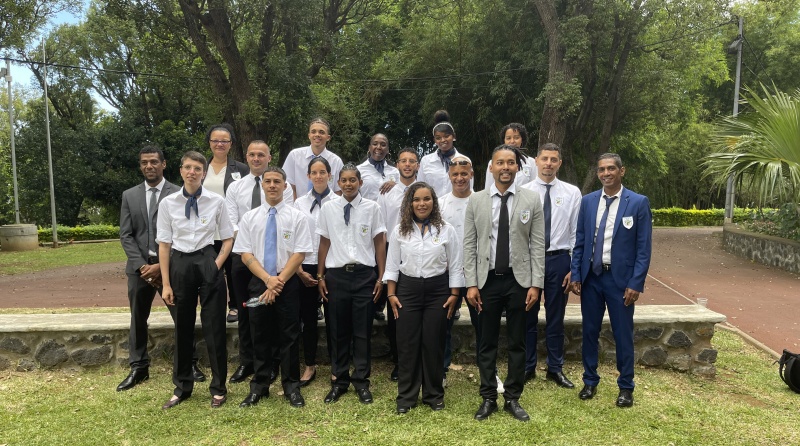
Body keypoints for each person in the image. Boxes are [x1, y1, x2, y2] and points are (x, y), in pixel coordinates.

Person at [463, 144, 545, 422]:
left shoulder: (531, 199)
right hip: (486, 281)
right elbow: (469, 244)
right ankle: (488, 397)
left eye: (511, 162)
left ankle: (512, 397)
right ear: (491, 167)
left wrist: (536, 284)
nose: (506, 167)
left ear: (517, 167)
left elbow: (537, 244)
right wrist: (471, 284)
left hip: (519, 281)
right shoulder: (476, 200)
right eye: (500, 162)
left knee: (517, 342)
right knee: (486, 342)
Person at [117, 145, 203, 391]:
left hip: (172, 267)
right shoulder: (129, 196)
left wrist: (162, 266)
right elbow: (126, 235)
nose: (149, 166)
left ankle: (189, 363)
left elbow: (186, 234)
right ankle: (139, 367)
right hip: (139, 270)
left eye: (154, 161)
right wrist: (142, 266)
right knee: (138, 318)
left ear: (163, 164)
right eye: (144, 162)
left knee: (182, 316)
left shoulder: (179, 193)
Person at [570, 153, 652, 408]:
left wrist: (636, 283)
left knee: (623, 334)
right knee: (589, 331)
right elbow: (580, 241)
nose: (606, 173)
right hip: (592, 279)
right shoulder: (588, 202)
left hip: (621, 282)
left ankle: (626, 386)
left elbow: (643, 248)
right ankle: (590, 381)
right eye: (601, 170)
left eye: (611, 169)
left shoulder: (637, 202)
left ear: (621, 171)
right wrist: (576, 273)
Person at [157, 151, 233, 409]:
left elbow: (228, 238)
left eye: (197, 168)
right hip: (180, 263)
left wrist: (216, 265)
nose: (192, 172)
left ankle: (219, 388)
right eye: (188, 167)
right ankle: (182, 387)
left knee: (214, 327)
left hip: (207, 260)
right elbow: (164, 245)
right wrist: (166, 284)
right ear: (181, 170)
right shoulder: (168, 203)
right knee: (183, 327)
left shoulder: (216, 201)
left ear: (204, 173)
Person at [233, 166, 312, 408]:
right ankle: (259, 386)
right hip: (259, 282)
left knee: (289, 335)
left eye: (277, 181)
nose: (272, 185)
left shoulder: (297, 217)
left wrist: (278, 281)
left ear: (285, 186)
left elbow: (299, 253)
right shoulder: (250, 217)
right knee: (260, 334)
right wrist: (267, 280)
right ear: (262, 185)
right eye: (267, 181)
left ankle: (291, 386)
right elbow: (245, 253)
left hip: (287, 282)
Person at [384, 182, 462, 414]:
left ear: (433, 202)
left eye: (426, 199)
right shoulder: (400, 230)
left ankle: (433, 395)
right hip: (407, 290)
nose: (421, 204)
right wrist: (391, 294)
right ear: (409, 203)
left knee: (433, 343)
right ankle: (406, 397)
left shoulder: (446, 230)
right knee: (407, 344)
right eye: (416, 199)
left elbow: (456, 265)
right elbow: (392, 266)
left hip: (438, 290)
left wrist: (454, 294)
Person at [316, 164, 387, 405]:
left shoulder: (372, 208)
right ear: (338, 183)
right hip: (336, 276)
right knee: (337, 331)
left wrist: (381, 277)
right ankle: (339, 381)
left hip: (364, 276)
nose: (348, 184)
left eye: (353, 180)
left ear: (360, 182)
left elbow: (379, 242)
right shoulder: (328, 208)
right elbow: (324, 242)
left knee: (362, 331)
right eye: (344, 180)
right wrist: (320, 276)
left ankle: (361, 381)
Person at [224, 140, 291, 385]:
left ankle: (272, 362)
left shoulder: (282, 185)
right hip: (243, 256)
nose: (256, 158)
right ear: (246, 156)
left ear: (269, 157)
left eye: (261, 154)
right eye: (252, 154)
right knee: (246, 309)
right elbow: (231, 221)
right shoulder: (235, 188)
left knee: (270, 309)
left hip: (272, 259)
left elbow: (285, 219)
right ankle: (247, 361)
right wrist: (247, 244)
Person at [521, 143, 581, 388]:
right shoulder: (523, 191)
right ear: (536, 161)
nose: (548, 163)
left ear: (559, 163)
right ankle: (527, 366)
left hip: (559, 259)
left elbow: (576, 232)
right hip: (530, 260)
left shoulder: (572, 192)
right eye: (544, 158)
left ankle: (555, 368)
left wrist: (574, 267)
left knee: (556, 317)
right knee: (527, 315)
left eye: (553, 159)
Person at [377, 147, 420, 381]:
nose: (407, 164)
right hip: (393, 254)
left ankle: (417, 358)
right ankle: (398, 360)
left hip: (418, 254)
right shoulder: (387, 193)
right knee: (394, 309)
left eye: (412, 161)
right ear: (397, 165)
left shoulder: (423, 191)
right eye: (403, 161)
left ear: (417, 166)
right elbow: (381, 230)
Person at [294, 157, 336, 387]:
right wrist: (299, 270)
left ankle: (336, 365)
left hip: (332, 266)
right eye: (314, 172)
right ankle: (310, 364)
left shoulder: (339, 201)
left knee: (334, 317)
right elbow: (292, 237)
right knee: (308, 317)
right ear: (308, 176)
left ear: (330, 175)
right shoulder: (299, 203)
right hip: (306, 266)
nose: (318, 176)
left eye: (322, 172)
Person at [203, 123, 250, 325]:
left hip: (231, 230)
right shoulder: (200, 166)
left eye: (224, 141)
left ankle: (235, 306)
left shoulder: (241, 169)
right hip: (206, 230)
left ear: (231, 144)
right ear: (209, 143)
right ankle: (213, 306)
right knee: (210, 270)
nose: (219, 144)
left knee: (232, 269)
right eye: (215, 140)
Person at [282, 117, 344, 200]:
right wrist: (296, 206)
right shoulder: (295, 156)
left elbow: (338, 190)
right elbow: (289, 186)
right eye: (313, 131)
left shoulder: (336, 161)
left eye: (321, 132)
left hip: (327, 206)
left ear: (328, 137)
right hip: (299, 206)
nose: (317, 135)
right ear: (309, 135)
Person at [417, 110, 473, 197]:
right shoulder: (426, 161)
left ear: (454, 136)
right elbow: (419, 188)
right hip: (433, 205)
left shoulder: (464, 160)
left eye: (446, 136)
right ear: (434, 140)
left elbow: (469, 189)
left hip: (457, 204)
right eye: (438, 138)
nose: (443, 140)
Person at [484, 123, 536, 190]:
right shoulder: (493, 162)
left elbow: (534, 187)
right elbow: (488, 188)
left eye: (516, 138)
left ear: (522, 140)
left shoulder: (531, 162)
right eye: (508, 138)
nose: (512, 141)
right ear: (504, 140)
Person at [357, 133, 400, 201]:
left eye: (383, 145)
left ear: (387, 150)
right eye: (375, 144)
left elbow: (402, 193)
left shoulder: (395, 171)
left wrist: (396, 185)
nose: (379, 147)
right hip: (367, 208)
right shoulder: (358, 170)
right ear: (369, 148)